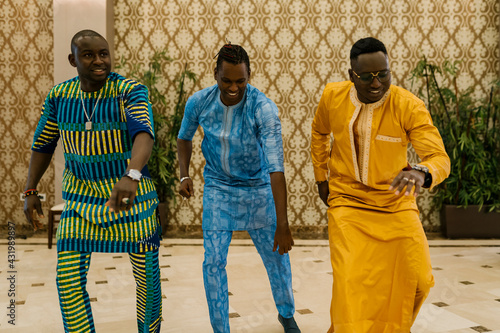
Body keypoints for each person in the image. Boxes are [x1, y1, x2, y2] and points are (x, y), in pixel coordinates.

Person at [23, 30, 162, 333]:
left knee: (147, 279)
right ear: (73, 59)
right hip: (80, 201)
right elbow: (43, 144)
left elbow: (143, 134)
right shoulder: (59, 96)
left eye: (104, 53)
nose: (99, 61)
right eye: (89, 55)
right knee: (68, 281)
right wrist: (30, 189)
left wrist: (132, 174)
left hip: (131, 201)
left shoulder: (130, 90)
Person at [311, 37, 451, 333]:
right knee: (350, 282)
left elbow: (439, 156)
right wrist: (321, 177)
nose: (376, 84)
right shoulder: (332, 97)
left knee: (420, 280)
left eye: (383, 74)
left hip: (395, 202)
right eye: (367, 77)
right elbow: (319, 132)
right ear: (352, 76)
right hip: (348, 202)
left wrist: (421, 172)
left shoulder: (407, 105)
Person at [177, 43, 301, 333]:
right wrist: (184, 175)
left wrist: (282, 223)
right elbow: (184, 137)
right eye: (227, 80)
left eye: (241, 81)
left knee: (276, 258)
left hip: (258, 189)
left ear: (249, 76)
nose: (234, 88)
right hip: (218, 189)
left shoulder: (263, 108)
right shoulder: (199, 102)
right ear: (216, 74)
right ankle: (221, 328)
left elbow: (276, 167)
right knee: (213, 262)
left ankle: (287, 313)